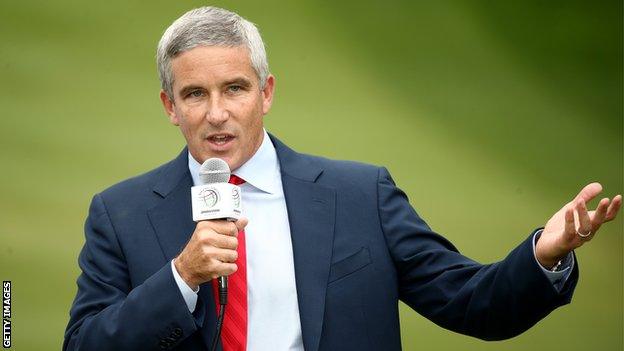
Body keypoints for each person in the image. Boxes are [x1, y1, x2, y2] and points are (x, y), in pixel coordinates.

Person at [63, 6, 621, 351]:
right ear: (169, 105)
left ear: (267, 92)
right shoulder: (121, 213)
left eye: (235, 88)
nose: (216, 113)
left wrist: (544, 255)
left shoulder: (361, 196)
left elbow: (473, 304)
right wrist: (182, 277)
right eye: (194, 94)